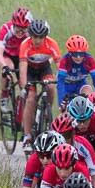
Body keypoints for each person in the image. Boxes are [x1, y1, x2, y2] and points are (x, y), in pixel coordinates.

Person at [18, 19, 61, 148]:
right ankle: (27, 136)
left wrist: (61, 80)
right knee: (31, 99)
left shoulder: (52, 44)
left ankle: (47, 110)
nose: (37, 40)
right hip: (30, 71)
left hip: (44, 69)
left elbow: (60, 65)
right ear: (30, 35)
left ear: (45, 36)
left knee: (51, 87)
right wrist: (24, 87)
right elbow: (23, 68)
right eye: (35, 37)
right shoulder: (25, 44)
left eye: (41, 37)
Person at [0, 7, 32, 106]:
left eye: (24, 29)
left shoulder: (31, 32)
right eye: (18, 28)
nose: (20, 31)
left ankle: (21, 105)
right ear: (13, 24)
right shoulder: (5, 29)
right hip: (7, 55)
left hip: (22, 57)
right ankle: (4, 95)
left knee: (24, 86)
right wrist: (4, 66)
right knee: (9, 68)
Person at [56, 35, 95, 105]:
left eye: (81, 54)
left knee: (88, 95)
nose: (78, 57)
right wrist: (61, 101)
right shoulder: (65, 60)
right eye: (75, 54)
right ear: (70, 53)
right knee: (65, 107)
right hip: (66, 86)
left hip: (80, 84)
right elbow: (61, 82)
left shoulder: (90, 60)